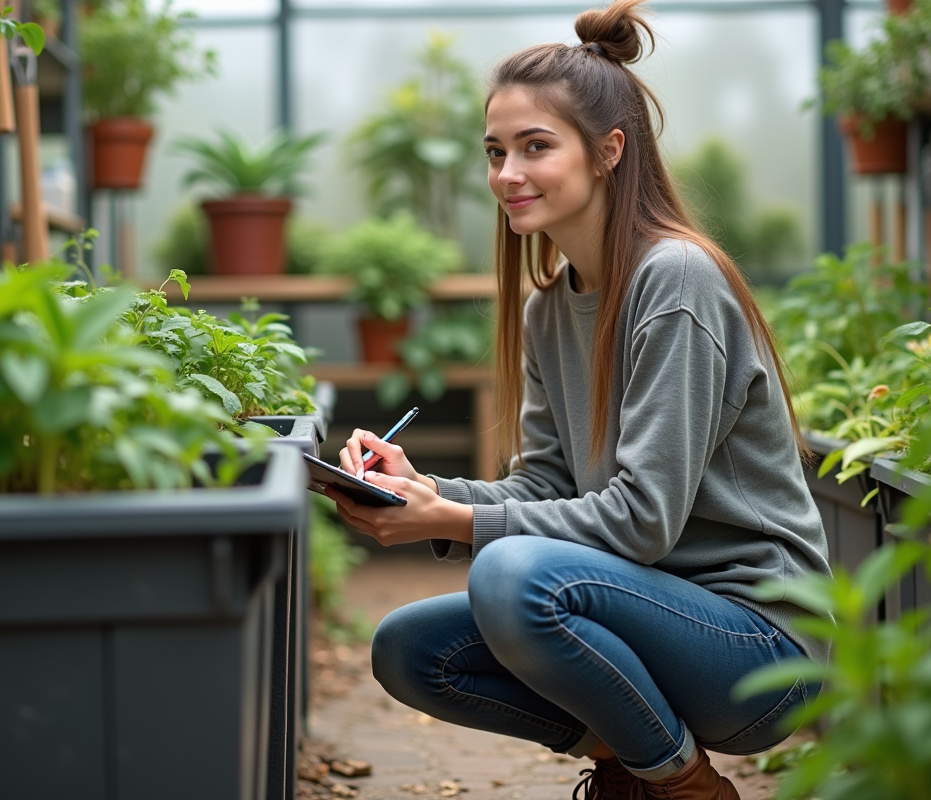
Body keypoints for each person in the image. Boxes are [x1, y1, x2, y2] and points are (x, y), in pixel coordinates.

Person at [323, 1, 831, 797]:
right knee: (410, 649)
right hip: (649, 615)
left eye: (535, 147)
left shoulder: (676, 281)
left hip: (760, 645)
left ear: (608, 152)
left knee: (513, 579)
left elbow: (641, 519)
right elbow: (546, 489)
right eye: (494, 152)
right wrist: (425, 491)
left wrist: (452, 522)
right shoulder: (548, 308)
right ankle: (627, 763)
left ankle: (681, 784)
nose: (506, 175)